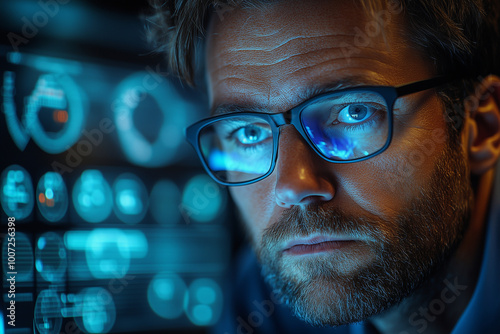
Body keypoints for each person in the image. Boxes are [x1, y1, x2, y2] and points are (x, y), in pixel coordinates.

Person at [148, 0, 500, 333]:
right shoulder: (259, 303)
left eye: (353, 113)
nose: (293, 186)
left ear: (482, 127)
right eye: (249, 133)